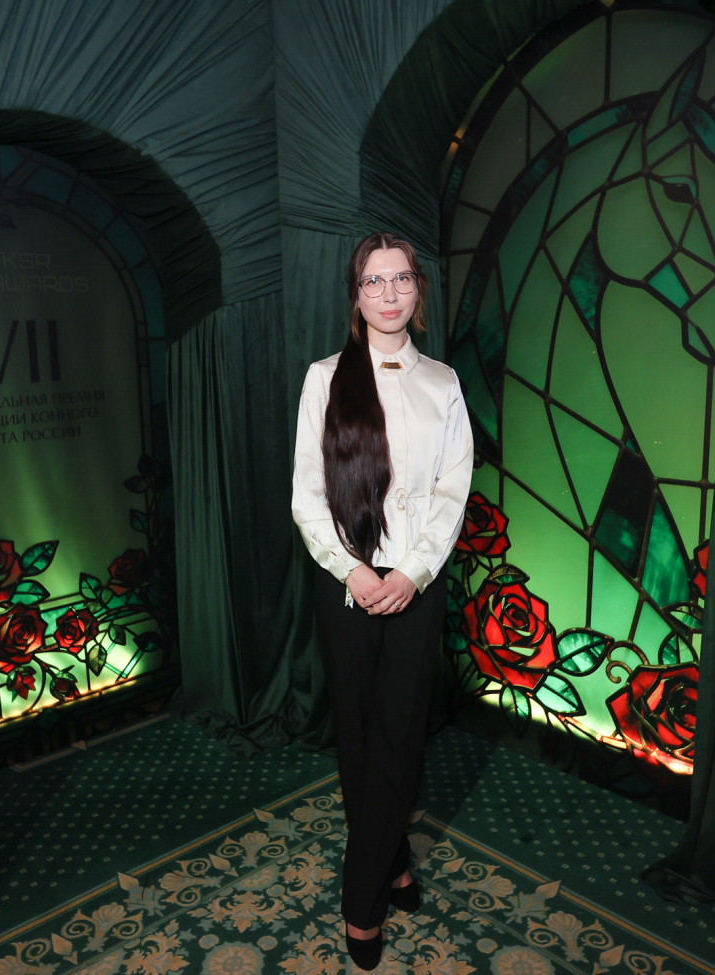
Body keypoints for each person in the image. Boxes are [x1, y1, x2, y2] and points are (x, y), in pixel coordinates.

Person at [291, 232, 474, 970]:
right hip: (346, 583)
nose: (390, 293)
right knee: (360, 739)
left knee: (399, 738)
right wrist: (353, 570)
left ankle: (360, 902)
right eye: (375, 280)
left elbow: (453, 490)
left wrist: (414, 572)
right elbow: (307, 494)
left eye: (402, 279)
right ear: (356, 293)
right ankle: (392, 860)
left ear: (418, 290)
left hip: (415, 586)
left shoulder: (444, 382)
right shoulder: (324, 379)